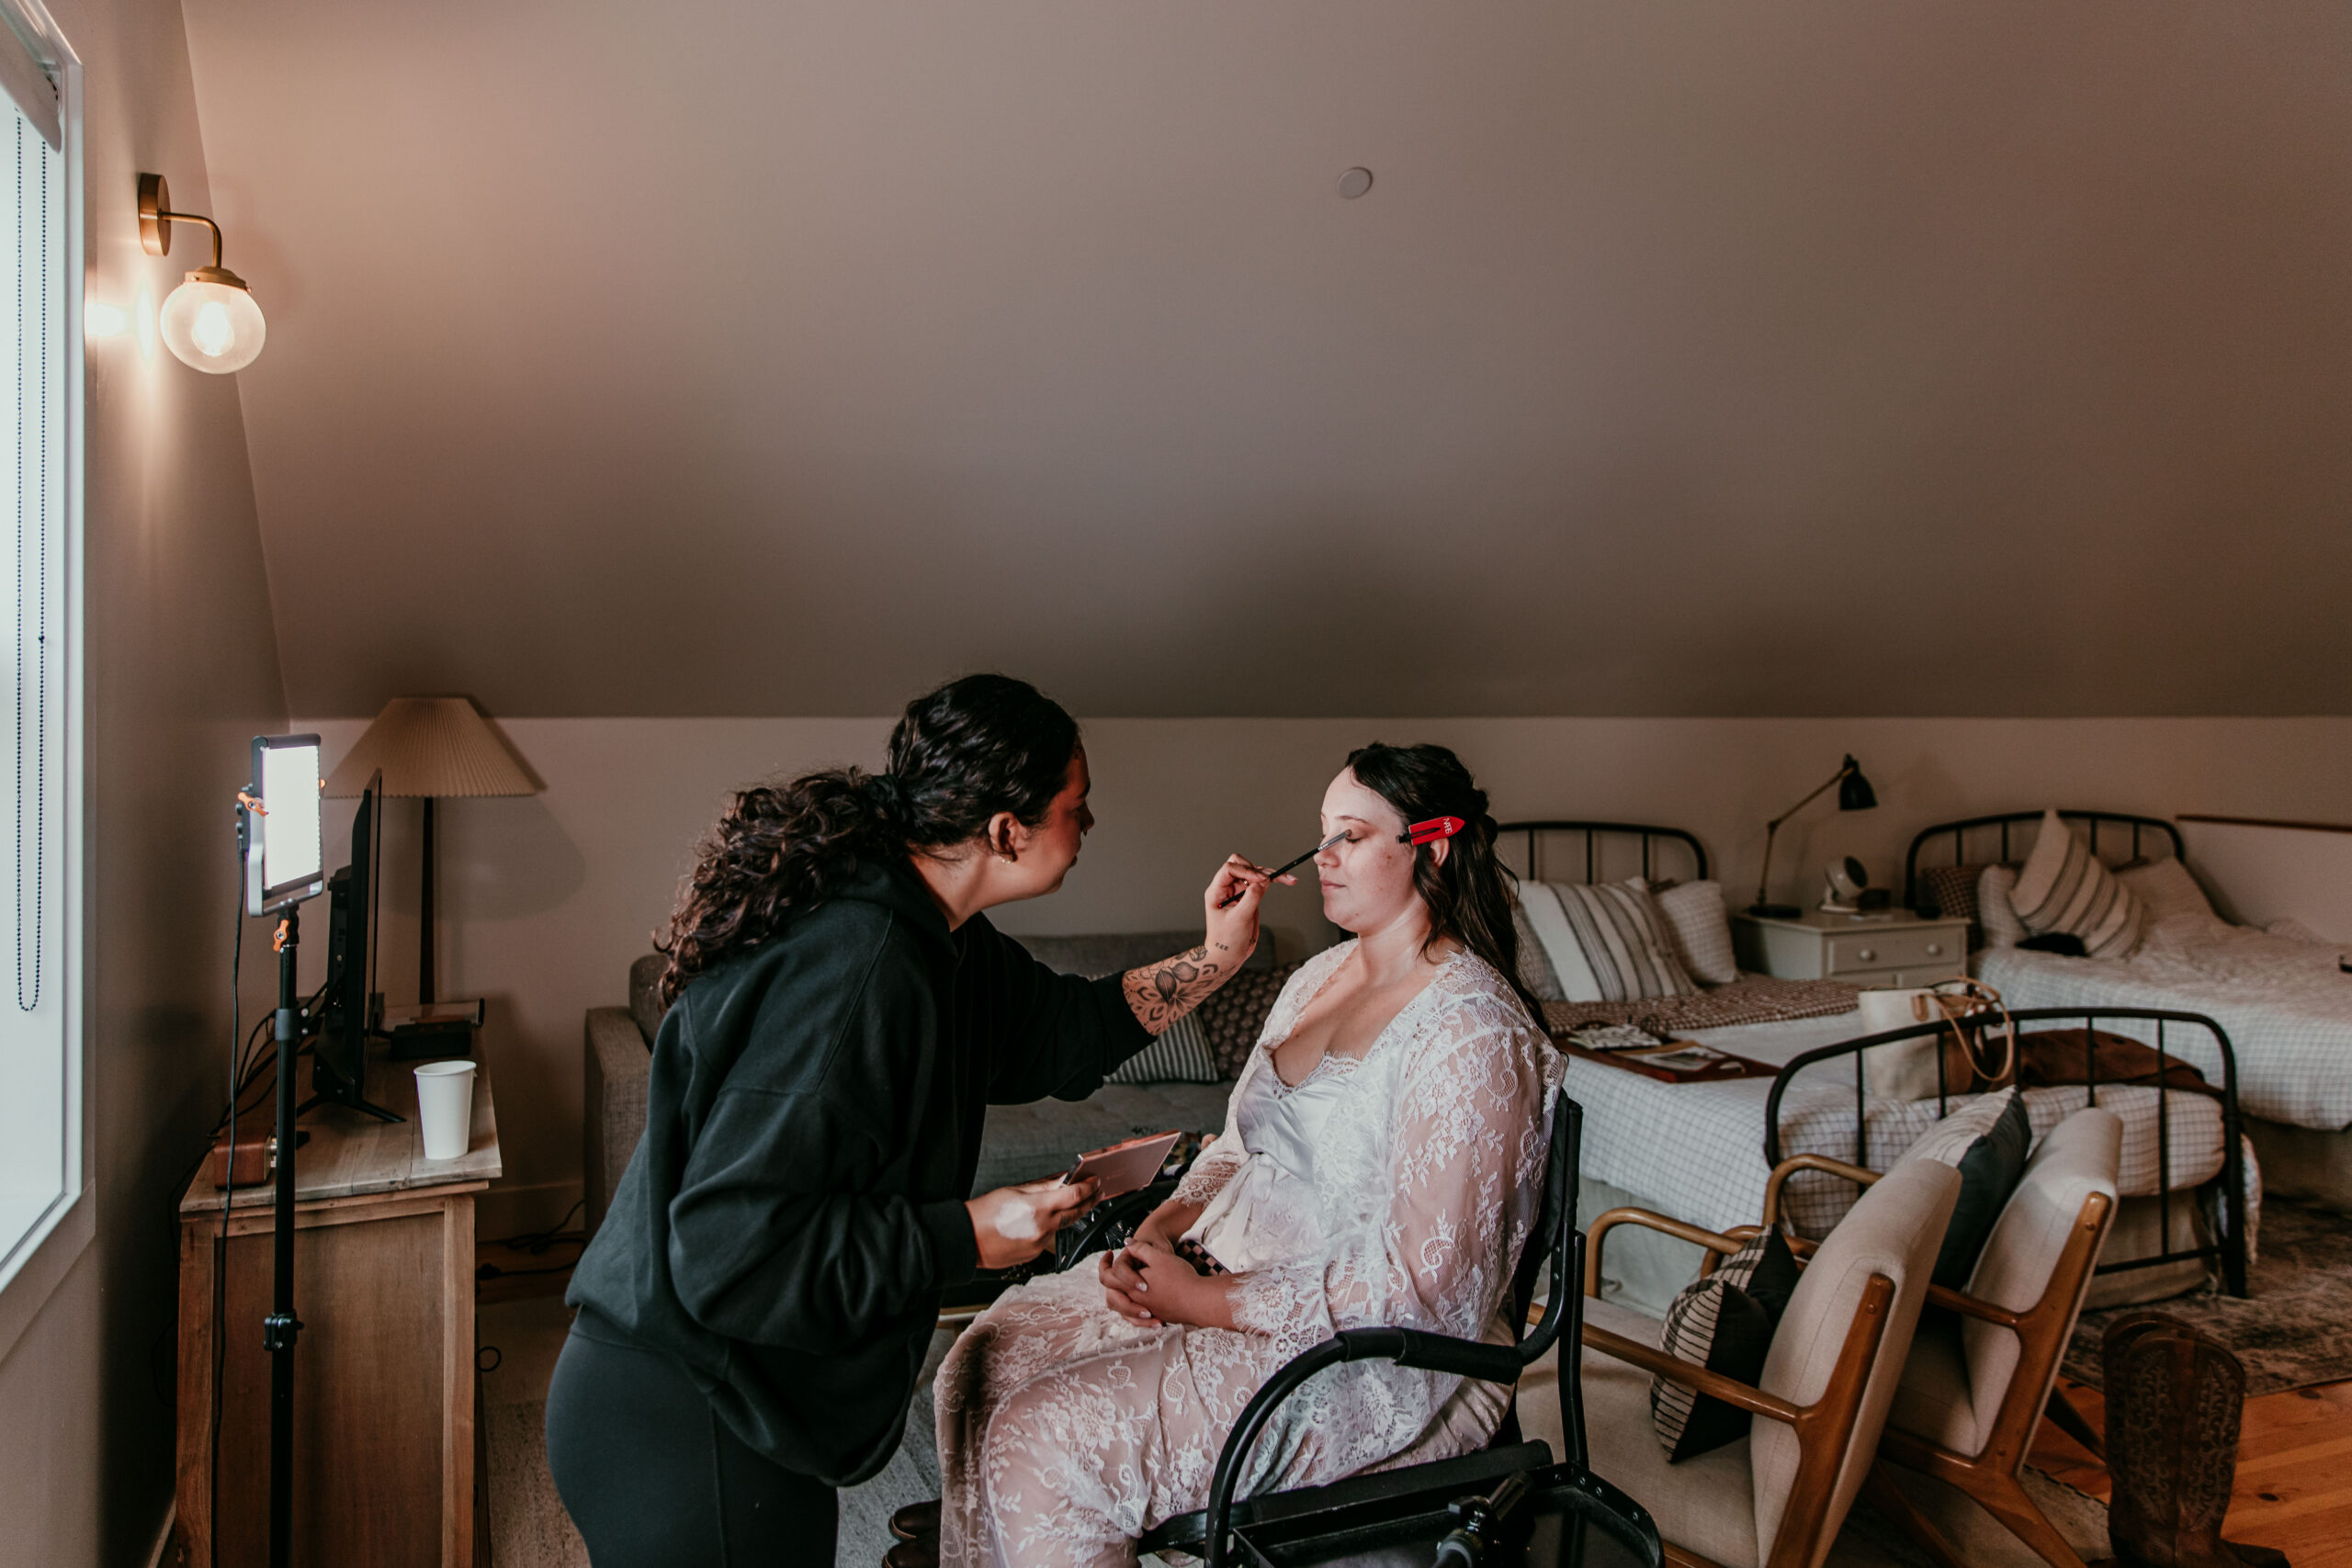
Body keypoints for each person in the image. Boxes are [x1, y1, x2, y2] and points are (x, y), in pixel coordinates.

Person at [548, 674, 1282, 1567]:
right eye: (1075, 808)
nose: (1087, 828)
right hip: (685, 1407)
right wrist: (964, 1234)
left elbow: (1066, 1033)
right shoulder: (858, 964)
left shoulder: (938, 934)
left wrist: (1216, 956)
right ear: (1007, 829)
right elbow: (730, 1249)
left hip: (743, 1395)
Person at [922, 742, 1563, 1568]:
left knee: (1046, 1439)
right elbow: (1236, 1144)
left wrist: (1211, 1301)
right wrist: (1156, 1231)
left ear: (1432, 848)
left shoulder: (1473, 1032)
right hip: (1216, 1269)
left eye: (1352, 836)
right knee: (979, 1363)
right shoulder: (1315, 977)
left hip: (1366, 1356)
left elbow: (1420, 1286)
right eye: (1322, 833)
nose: (1323, 856)